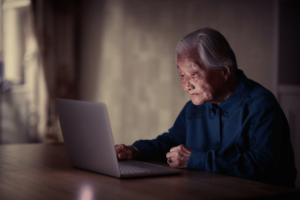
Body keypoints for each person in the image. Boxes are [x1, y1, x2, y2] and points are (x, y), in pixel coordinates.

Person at [115, 28, 297, 187]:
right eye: (181, 75)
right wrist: (136, 151)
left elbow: (263, 167)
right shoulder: (194, 108)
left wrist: (196, 159)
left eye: (193, 73)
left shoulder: (262, 106)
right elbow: (171, 143)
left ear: (224, 71)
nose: (187, 85)